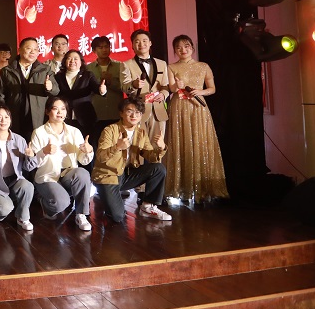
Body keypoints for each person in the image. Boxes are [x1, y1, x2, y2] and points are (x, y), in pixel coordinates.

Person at [166, 35, 228, 202]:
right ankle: (183, 188)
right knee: (181, 143)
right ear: (175, 50)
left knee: (201, 142)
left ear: (192, 48)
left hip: (198, 107)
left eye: (186, 46)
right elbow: (171, 88)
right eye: (178, 47)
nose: (183, 50)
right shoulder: (171, 67)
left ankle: (204, 189)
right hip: (179, 107)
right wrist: (177, 86)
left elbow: (212, 88)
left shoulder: (203, 66)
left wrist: (200, 92)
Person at [92, 97, 172, 224]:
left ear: (141, 115)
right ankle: (106, 196)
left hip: (126, 175)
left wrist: (161, 148)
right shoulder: (110, 130)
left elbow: (150, 156)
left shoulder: (141, 133)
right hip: (108, 176)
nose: (134, 115)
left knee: (158, 169)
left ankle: (147, 207)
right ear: (121, 113)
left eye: (138, 112)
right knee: (118, 216)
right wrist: (117, 147)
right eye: (129, 111)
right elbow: (100, 156)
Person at [28, 97, 94, 231]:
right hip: (47, 176)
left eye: (63, 109)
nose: (60, 112)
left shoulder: (74, 131)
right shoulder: (39, 132)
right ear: (47, 111)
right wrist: (43, 152)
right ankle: (44, 202)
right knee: (61, 203)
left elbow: (83, 160)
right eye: (55, 109)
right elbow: (33, 164)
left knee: (82, 173)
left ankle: (81, 214)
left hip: (68, 174)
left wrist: (88, 151)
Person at [0, 104, 37, 231]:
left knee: (28, 186)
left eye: (6, 117)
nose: (3, 120)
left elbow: (28, 168)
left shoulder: (19, 140)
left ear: (10, 119)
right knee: (5, 209)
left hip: (14, 181)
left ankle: (23, 217)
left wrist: (31, 156)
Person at [0, 37, 60, 141]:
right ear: (19, 50)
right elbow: (0, 95)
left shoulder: (45, 70)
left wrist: (50, 87)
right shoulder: (7, 71)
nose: (32, 52)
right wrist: (3, 114)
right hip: (14, 118)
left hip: (37, 118)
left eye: (36, 49)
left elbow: (56, 91)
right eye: (29, 48)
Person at [121, 29, 169, 142]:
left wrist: (163, 94)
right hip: (137, 111)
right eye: (137, 41)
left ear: (150, 43)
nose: (141, 44)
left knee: (158, 145)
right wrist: (134, 84)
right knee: (138, 145)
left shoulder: (162, 63)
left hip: (158, 110)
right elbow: (124, 87)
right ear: (132, 45)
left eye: (144, 41)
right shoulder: (126, 64)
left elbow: (165, 85)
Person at [54, 49, 106, 142]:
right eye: (69, 58)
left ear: (81, 62)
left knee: (86, 144)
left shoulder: (88, 75)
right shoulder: (58, 76)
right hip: (65, 118)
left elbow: (96, 87)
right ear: (64, 61)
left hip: (85, 117)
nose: (72, 61)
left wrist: (101, 90)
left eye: (75, 59)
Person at [86, 36, 125, 147]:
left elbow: (125, 88)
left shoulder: (120, 66)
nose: (104, 50)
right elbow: (86, 89)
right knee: (97, 144)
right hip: (97, 113)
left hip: (116, 112)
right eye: (100, 47)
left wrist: (110, 82)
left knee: (116, 145)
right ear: (94, 50)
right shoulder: (88, 68)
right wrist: (99, 83)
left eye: (106, 47)